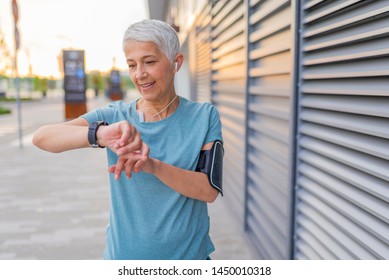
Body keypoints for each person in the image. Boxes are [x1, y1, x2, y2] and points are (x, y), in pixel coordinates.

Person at [33, 19, 223, 260]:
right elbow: (43, 137)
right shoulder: (113, 116)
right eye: (132, 65)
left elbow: (208, 191)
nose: (140, 74)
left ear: (176, 63)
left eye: (150, 62)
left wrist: (153, 165)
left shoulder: (204, 116)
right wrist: (100, 134)